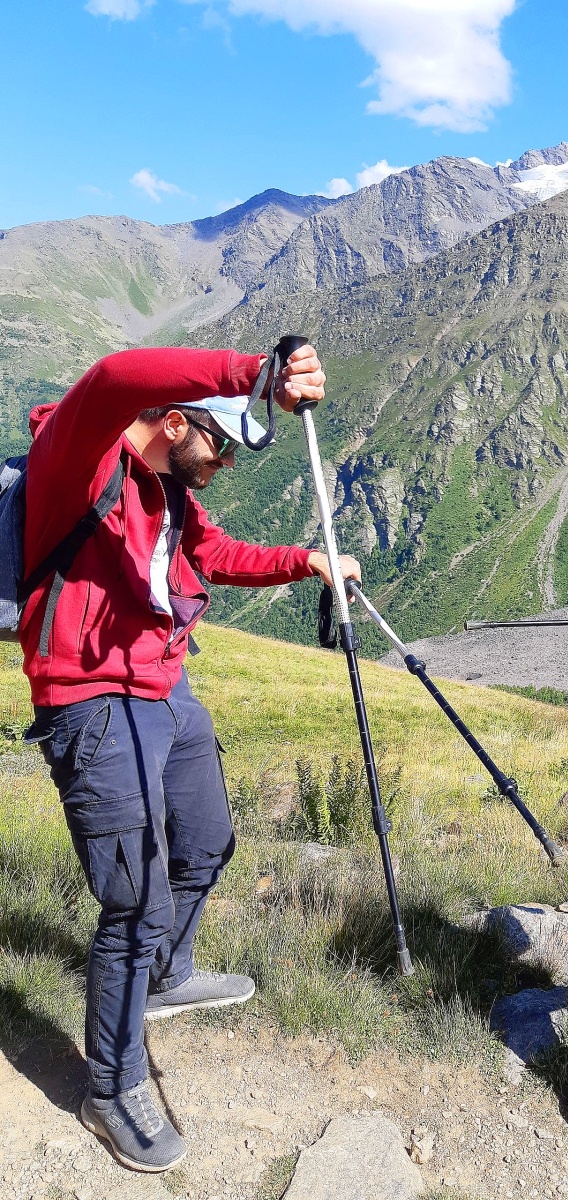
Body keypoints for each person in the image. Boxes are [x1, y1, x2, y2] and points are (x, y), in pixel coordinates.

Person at [20, 344, 359, 1173]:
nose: (228, 463)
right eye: (222, 445)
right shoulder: (76, 455)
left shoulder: (173, 486)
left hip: (165, 688)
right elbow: (105, 377)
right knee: (131, 901)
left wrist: (305, 561)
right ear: (176, 420)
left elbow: (214, 554)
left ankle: (166, 977)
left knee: (206, 842)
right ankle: (112, 1085)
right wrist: (256, 373)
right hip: (91, 702)